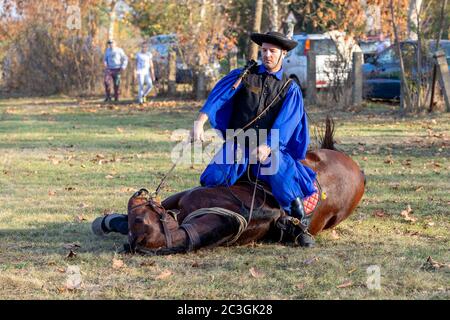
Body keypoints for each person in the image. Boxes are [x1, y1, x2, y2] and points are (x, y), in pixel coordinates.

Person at [190, 31, 317, 247]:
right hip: (239, 144)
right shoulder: (244, 76)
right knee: (212, 178)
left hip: (271, 147)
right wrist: (200, 121)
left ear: (283, 54)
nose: (267, 55)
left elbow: (286, 123)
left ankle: (300, 226)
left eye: (272, 51)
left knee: (284, 181)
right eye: (264, 50)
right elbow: (219, 97)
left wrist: (268, 146)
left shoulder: (289, 88)